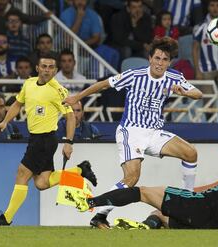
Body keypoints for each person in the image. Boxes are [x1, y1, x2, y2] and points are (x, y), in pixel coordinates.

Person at [63, 36, 203, 228]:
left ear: (169, 62)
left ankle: (189, 200)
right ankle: (100, 215)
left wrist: (185, 92)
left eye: (164, 60)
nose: (160, 63)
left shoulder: (174, 77)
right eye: (157, 58)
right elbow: (104, 84)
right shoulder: (134, 75)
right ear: (150, 58)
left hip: (154, 132)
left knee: (191, 153)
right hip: (131, 130)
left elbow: (198, 94)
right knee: (132, 178)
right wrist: (77, 97)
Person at [71, 134, 218, 230]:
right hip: (211, 226)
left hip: (200, 205)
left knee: (141, 192)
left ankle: (90, 203)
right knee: (160, 215)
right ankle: (147, 228)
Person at [0, 54, 97, 226]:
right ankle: (80, 170)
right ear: (37, 68)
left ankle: (7, 217)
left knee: (22, 173)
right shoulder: (29, 83)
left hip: (45, 139)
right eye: (44, 66)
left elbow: (70, 117)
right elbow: (17, 104)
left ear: (55, 70)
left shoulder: (58, 90)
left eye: (51, 67)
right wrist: (5, 121)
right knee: (42, 182)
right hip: (36, 138)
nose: (47, 70)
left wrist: (68, 141)